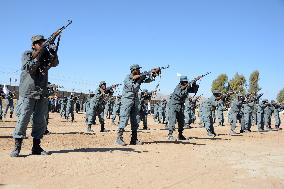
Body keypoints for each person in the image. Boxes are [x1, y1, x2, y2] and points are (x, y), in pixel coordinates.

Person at [11, 35, 59, 157]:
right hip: (28, 92)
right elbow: (29, 68)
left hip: (41, 92)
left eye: (44, 42)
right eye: (39, 43)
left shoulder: (46, 54)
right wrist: (39, 53)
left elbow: (55, 63)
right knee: (23, 119)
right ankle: (17, 147)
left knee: (40, 121)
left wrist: (53, 51)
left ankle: (36, 147)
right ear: (34, 45)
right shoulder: (27, 54)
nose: (42, 44)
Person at [116, 64, 160, 145]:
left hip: (135, 100)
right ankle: (119, 138)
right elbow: (133, 88)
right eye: (138, 69)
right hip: (127, 100)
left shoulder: (139, 77)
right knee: (124, 118)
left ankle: (134, 139)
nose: (139, 71)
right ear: (134, 70)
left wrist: (153, 74)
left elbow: (148, 80)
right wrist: (140, 79)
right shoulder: (127, 78)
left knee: (135, 119)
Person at [167, 76, 199, 141]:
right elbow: (180, 94)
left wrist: (194, 83)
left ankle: (180, 135)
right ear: (181, 82)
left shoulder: (186, 87)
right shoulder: (178, 87)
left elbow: (193, 90)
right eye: (185, 82)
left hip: (180, 106)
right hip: (173, 105)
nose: (186, 82)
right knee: (172, 120)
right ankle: (170, 135)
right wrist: (188, 86)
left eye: (186, 82)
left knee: (181, 121)